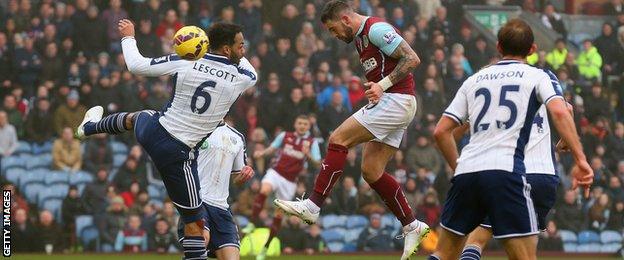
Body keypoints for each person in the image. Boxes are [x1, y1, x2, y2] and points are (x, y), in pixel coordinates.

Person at [75, 20, 257, 260]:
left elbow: (136, 65)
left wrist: (128, 36)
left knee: (140, 116)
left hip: (155, 131)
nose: (243, 49)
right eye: (240, 45)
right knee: (195, 225)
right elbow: (249, 68)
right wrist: (224, 49)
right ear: (226, 49)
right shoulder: (242, 78)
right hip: (178, 154)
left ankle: (89, 127)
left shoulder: (185, 60)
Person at [274, 2, 430, 259]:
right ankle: (412, 225)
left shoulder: (376, 29)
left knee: (337, 138)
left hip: (397, 100)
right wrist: (377, 84)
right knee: (371, 171)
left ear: (345, 19)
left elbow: (412, 58)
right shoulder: (359, 38)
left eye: (333, 29)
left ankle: (313, 206)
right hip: (392, 101)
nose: (333, 35)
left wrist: (382, 84)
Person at [430, 19, 593, 260]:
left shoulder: (475, 79)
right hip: (519, 173)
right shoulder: (540, 76)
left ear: (497, 46)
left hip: (471, 171)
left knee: (445, 252)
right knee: (523, 255)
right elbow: (563, 110)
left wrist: (459, 166)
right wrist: (580, 158)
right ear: (533, 49)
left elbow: (442, 131)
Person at [457, 101, 571, 259]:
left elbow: (460, 129)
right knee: (522, 250)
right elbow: (568, 109)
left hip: (511, 173)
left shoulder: (495, 92)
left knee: (477, 239)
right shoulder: (543, 81)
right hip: (543, 177)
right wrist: (565, 140)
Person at [177, 122, 254, 260]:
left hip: (221, 207)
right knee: (201, 242)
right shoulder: (196, 129)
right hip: (198, 200)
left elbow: (236, 179)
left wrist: (244, 175)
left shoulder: (236, 136)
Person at [250, 115, 321, 260]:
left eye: (305, 124)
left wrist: (308, 155)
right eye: (300, 123)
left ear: (308, 126)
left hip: (290, 182)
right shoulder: (284, 136)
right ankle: (252, 223)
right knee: (264, 190)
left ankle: (266, 247)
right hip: (276, 172)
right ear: (295, 124)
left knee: (278, 215)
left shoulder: (311, 142)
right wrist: (261, 153)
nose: (302, 126)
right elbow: (272, 148)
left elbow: (318, 164)